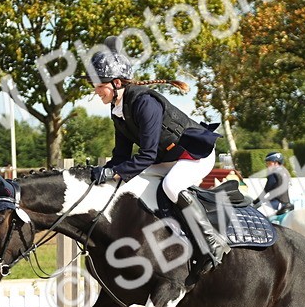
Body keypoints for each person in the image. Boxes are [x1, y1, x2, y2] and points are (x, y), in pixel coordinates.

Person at [88, 38, 229, 275]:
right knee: (131, 184)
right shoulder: (117, 110)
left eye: (98, 85)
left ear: (116, 83)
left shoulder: (144, 103)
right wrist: (104, 172)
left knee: (171, 186)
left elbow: (147, 154)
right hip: (167, 158)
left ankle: (212, 241)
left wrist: (116, 171)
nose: (95, 90)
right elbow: (121, 155)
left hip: (195, 155)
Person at [254, 152, 294, 218]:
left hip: (276, 203)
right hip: (286, 202)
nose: (267, 165)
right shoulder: (285, 171)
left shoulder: (273, 172)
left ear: (276, 163)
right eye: (267, 163)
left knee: (256, 215)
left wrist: (256, 201)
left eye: (269, 163)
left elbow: (267, 189)